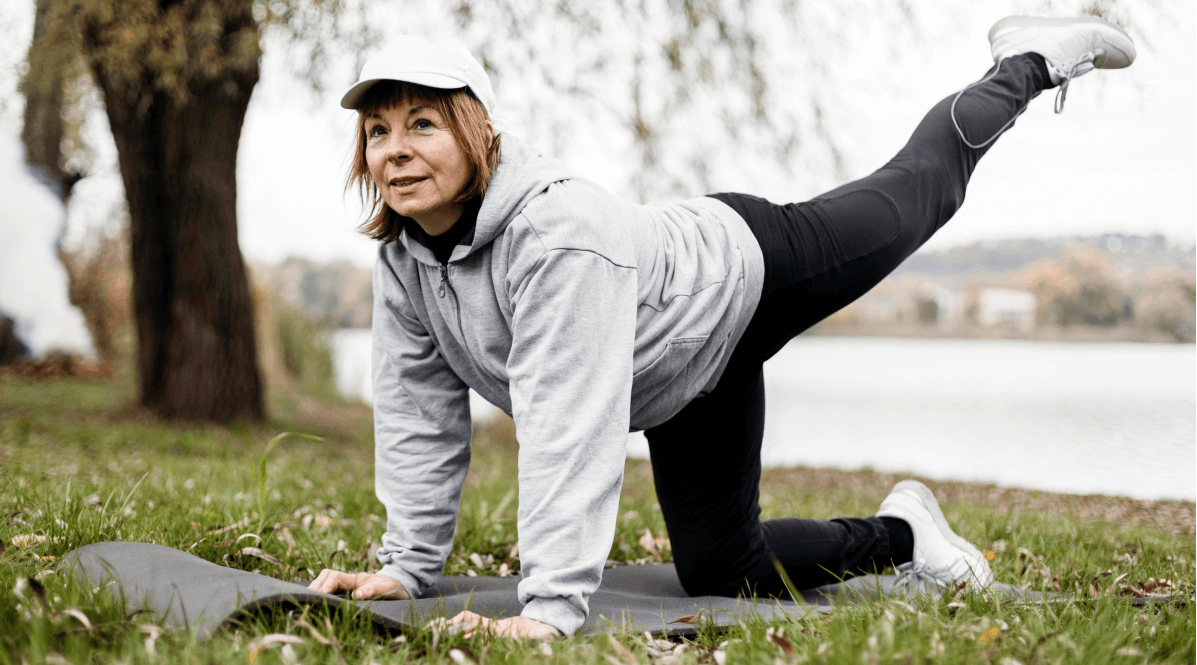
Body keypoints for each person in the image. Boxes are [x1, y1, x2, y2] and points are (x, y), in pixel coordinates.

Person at [308, 17, 1137, 639]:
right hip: (678, 374)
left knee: (919, 192)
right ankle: (905, 535)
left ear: (477, 132)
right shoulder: (405, 262)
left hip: (741, 267)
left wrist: (549, 608)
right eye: (378, 132)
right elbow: (417, 415)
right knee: (721, 568)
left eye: (422, 123)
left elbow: (566, 423)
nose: (394, 150)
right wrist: (406, 568)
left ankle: (1025, 61)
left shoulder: (558, 239)